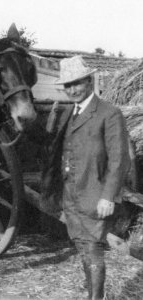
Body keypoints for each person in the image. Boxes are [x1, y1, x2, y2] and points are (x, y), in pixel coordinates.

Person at [54, 56, 130, 299]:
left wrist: (108, 197)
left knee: (93, 249)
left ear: (89, 81)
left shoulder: (109, 113)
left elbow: (119, 159)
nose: (72, 90)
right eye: (68, 85)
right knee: (83, 248)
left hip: (95, 195)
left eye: (77, 83)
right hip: (72, 196)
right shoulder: (69, 113)